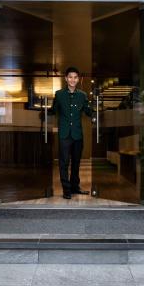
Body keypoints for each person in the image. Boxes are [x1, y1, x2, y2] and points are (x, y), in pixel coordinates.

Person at [49, 67, 93, 199]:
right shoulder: (59, 94)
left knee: (76, 162)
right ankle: (66, 190)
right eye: (70, 77)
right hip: (64, 135)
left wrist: (95, 110)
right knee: (64, 163)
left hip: (77, 134)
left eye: (75, 77)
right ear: (66, 78)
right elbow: (54, 110)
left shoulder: (82, 95)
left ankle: (75, 187)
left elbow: (88, 111)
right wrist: (43, 114)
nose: (72, 79)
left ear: (78, 79)